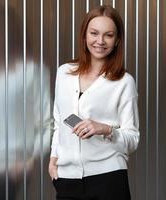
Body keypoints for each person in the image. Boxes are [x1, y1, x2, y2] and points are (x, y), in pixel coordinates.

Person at [48, 5, 139, 200]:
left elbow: (132, 139)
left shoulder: (124, 82)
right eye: (94, 33)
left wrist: (105, 129)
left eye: (108, 35)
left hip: (109, 179)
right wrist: (53, 157)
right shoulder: (63, 73)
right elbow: (58, 122)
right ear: (84, 36)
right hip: (67, 179)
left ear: (117, 41)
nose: (100, 41)